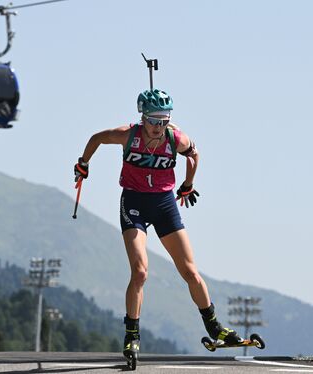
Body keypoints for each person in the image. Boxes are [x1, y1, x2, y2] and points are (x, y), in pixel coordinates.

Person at [74, 88, 242, 360]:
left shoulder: (176, 138)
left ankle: (214, 327)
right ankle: (132, 335)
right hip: (134, 203)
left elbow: (194, 155)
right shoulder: (128, 134)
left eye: (163, 121)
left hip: (164, 204)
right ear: (142, 118)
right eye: (152, 121)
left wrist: (188, 185)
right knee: (140, 272)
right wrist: (83, 164)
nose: (158, 127)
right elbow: (96, 138)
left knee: (190, 272)